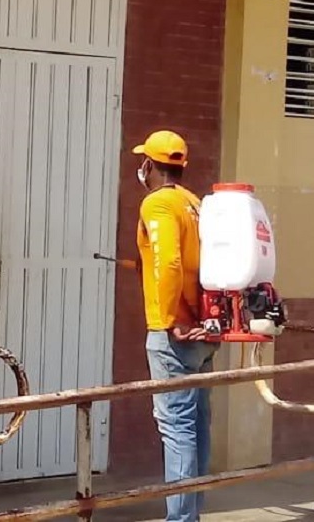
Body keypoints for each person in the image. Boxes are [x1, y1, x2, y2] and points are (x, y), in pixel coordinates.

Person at [132, 130, 217, 522]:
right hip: (201, 327)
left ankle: (181, 519)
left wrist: (170, 320)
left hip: (175, 332)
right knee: (197, 424)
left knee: (177, 427)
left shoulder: (158, 203)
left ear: (149, 165)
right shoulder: (193, 202)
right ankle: (192, 513)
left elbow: (168, 262)